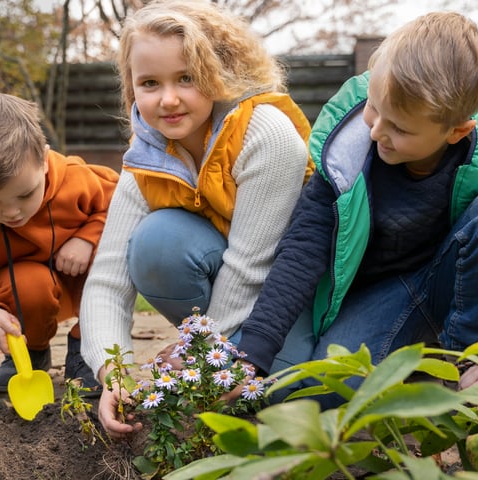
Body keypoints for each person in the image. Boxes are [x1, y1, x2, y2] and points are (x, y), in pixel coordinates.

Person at [236, 11, 478, 409]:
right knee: (317, 395)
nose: (376, 131)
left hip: (456, 287)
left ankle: (464, 364)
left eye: (401, 129)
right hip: (378, 299)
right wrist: (252, 352)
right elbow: (303, 248)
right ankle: (412, 360)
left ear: (456, 131)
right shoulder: (349, 150)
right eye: (374, 108)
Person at [79, 0, 314, 438]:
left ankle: (238, 367)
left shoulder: (265, 133)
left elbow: (250, 270)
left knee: (296, 392)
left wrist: (197, 358)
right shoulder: (146, 157)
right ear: (132, 89)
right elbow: (108, 279)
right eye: (150, 83)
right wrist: (113, 371)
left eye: (185, 78)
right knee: (157, 243)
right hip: (228, 302)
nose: (168, 99)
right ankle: (225, 366)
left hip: (289, 301)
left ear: (216, 73)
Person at [0, 91, 119, 395]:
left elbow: (122, 205)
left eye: (25, 194)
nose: (12, 212)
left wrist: (87, 237)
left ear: (43, 160)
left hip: (84, 279)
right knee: (28, 282)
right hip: (24, 293)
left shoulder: (77, 180)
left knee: (111, 258)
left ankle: (88, 348)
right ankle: (30, 351)